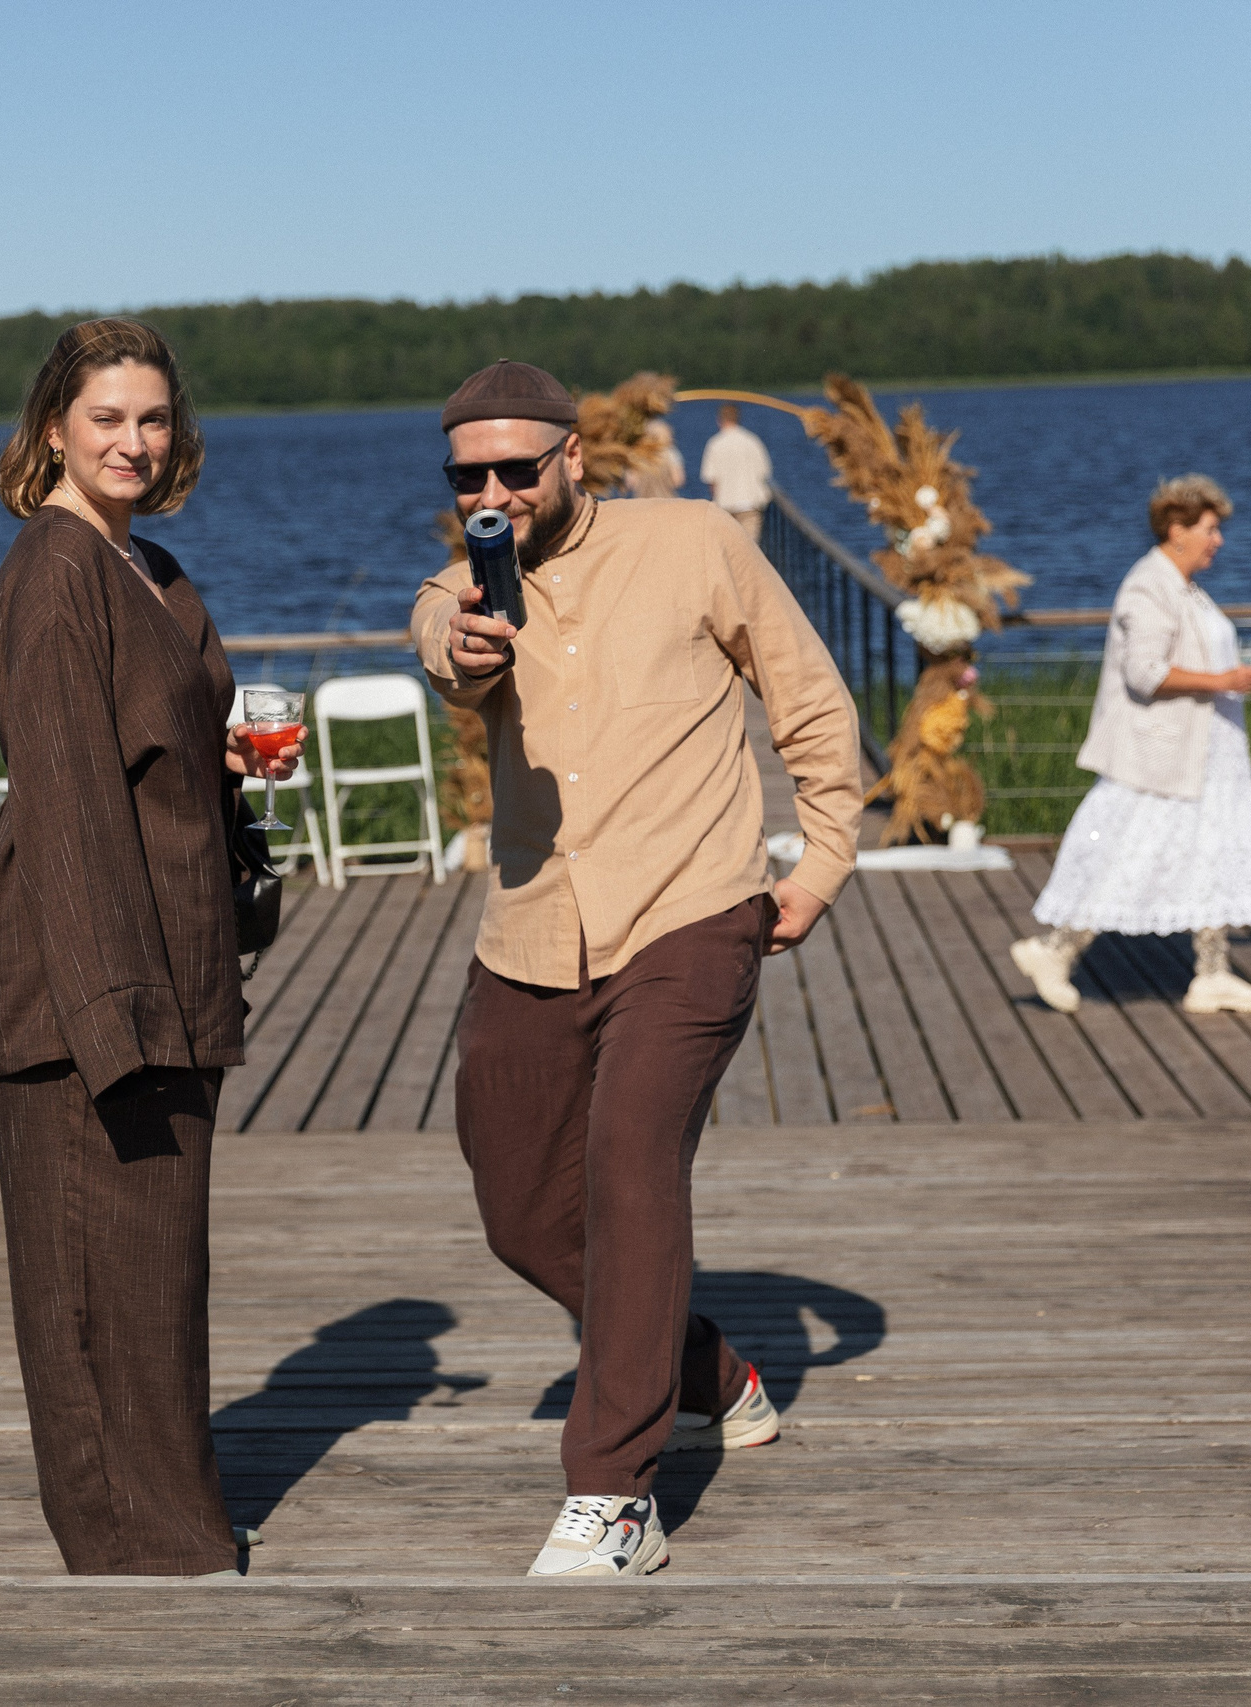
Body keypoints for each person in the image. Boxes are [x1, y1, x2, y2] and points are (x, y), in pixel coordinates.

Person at [410, 360, 864, 1578]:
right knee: (520, 1213)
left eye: (515, 466)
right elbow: (444, 657)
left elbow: (811, 703)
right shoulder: (457, 591)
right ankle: (710, 1368)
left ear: (571, 457)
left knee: (628, 1165)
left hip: (693, 912)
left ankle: (612, 1495)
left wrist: (816, 867)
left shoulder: (692, 541)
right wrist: (464, 642)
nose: (493, 488)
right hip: (530, 933)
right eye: (469, 475)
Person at [0, 317, 299, 1578]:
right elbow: (67, 800)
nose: (133, 440)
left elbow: (145, 755)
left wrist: (220, 761)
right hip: (91, 991)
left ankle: (177, 1519)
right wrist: (118, 1013)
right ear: (53, 424)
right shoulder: (52, 570)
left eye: (153, 418)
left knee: (156, 1276)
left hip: (168, 967)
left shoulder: (143, 566)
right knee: (97, 1284)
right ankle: (128, 1541)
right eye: (106, 417)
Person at [1009, 476, 1251, 1016]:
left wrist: (1232, 675)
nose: (1218, 539)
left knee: (1211, 852)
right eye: (1210, 529)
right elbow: (1145, 672)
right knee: (1123, 850)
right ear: (1176, 529)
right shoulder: (1148, 586)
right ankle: (1053, 950)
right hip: (1162, 756)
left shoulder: (1185, 587)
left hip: (1208, 752)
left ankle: (1212, 973)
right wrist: (1223, 681)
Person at [699, 403, 775, 544]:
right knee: (750, 551)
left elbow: (711, 480)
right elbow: (765, 473)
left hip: (725, 506)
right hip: (750, 505)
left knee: (729, 551)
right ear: (738, 418)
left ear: (719, 420)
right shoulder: (752, 441)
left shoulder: (714, 444)